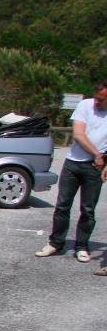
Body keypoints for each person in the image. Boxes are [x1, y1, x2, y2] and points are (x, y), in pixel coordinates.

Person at [35, 80, 107, 263]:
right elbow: (79, 134)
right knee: (62, 205)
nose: (97, 102)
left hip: (95, 168)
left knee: (88, 209)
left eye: (101, 99)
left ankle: (82, 246)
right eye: (96, 97)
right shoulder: (85, 105)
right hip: (73, 164)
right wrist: (97, 154)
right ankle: (55, 243)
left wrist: (104, 163)